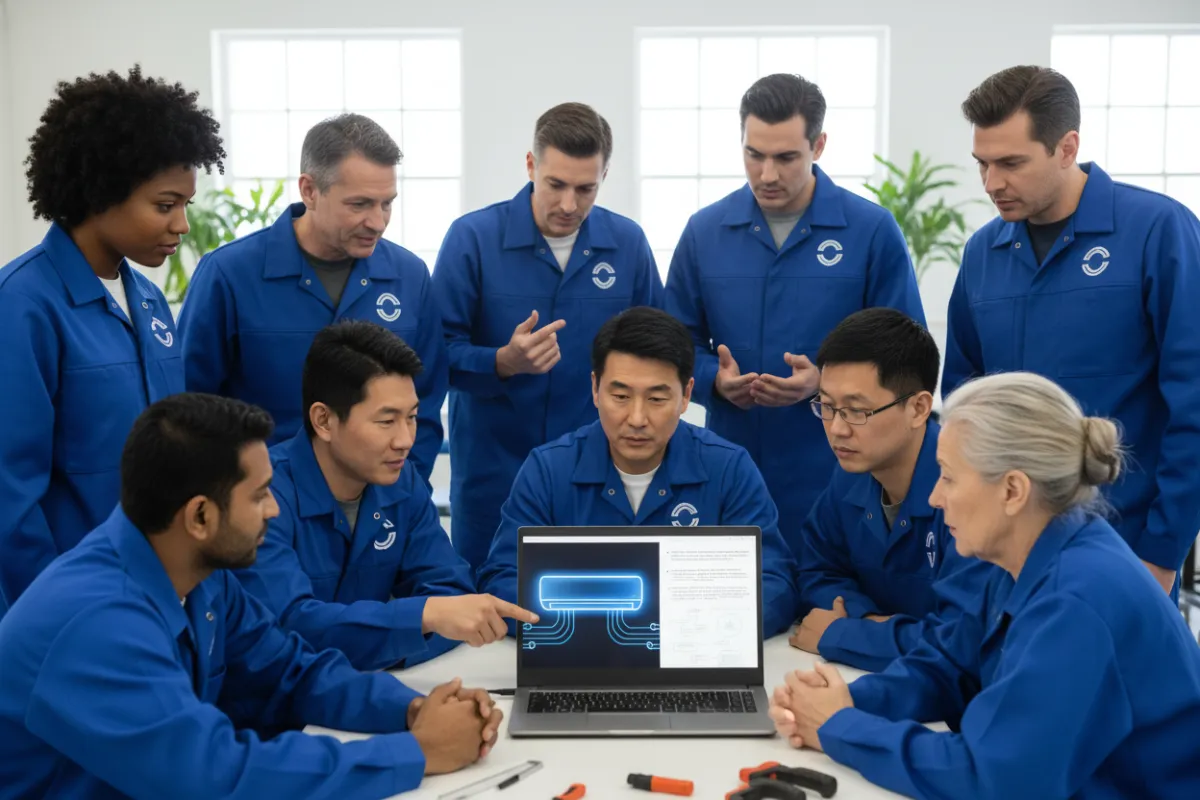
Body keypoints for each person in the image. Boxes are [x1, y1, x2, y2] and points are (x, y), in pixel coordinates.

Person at [0, 393, 503, 798]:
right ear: (200, 516)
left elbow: (291, 672)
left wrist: (412, 712)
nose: (274, 512)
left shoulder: (198, 572)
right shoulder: (96, 624)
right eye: (260, 495)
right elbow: (211, 775)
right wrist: (417, 753)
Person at [768, 372, 1200, 799]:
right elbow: (949, 669)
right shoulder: (1027, 554)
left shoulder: (1078, 598)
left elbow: (995, 779)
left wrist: (838, 726)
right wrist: (844, 700)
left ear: (1012, 490)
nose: (935, 497)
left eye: (949, 477)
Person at [943, 65, 1200, 597]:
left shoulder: (1159, 232)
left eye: (1011, 163)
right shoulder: (983, 255)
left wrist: (1161, 552)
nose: (992, 183)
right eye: (983, 164)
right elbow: (963, 401)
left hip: (1125, 550)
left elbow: (1194, 408)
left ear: (1066, 147)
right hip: (1005, 561)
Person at [664, 73, 926, 562]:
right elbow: (674, 342)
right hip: (730, 466)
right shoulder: (704, 233)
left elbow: (907, 353)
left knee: (825, 613)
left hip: (840, 467)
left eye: (785, 157)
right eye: (753, 154)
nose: (767, 174)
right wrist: (713, 381)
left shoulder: (871, 231)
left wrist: (822, 384)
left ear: (818, 145)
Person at [0, 66, 224, 617]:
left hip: (158, 590)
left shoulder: (148, 300)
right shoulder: (24, 304)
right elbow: (9, 496)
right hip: (72, 603)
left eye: (185, 207)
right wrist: (57, 611)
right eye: (164, 205)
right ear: (100, 193)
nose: (181, 226)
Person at [432, 102, 663, 571]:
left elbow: (658, 348)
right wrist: (501, 362)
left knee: (602, 610)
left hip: (598, 476)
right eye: (556, 184)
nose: (568, 205)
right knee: (489, 617)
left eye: (586, 189)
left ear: (604, 175)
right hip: (493, 476)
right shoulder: (471, 239)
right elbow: (434, 354)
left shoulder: (629, 243)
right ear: (531, 164)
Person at [235, 320, 539, 671]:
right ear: (323, 420)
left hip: (363, 693)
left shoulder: (400, 480)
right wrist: (416, 621)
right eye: (386, 421)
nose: (405, 440)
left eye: (411, 418)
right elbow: (287, 627)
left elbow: (451, 593)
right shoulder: (261, 495)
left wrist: (391, 635)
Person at [477, 307, 800, 636]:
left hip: (693, 658)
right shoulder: (548, 470)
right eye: (620, 396)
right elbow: (504, 578)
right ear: (595, 389)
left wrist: (681, 629)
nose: (636, 418)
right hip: (577, 659)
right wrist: (601, 630)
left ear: (686, 395)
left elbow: (773, 583)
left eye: (657, 398)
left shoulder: (729, 469)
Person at [179, 113, 447, 488]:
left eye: (387, 203)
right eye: (359, 204)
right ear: (309, 191)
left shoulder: (409, 275)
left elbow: (429, 397)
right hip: (265, 506)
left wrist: (405, 488)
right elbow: (189, 405)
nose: (378, 221)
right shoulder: (228, 275)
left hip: (380, 506)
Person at [790, 308, 994, 672]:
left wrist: (844, 634)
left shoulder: (975, 492)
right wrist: (864, 618)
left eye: (856, 410)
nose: (837, 429)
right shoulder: (850, 472)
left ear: (918, 408)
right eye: (827, 406)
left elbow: (965, 640)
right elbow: (818, 571)